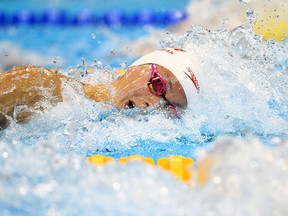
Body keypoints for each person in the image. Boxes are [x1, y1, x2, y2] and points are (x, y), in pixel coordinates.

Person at [0, 47, 202, 130]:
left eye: (169, 107)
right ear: (135, 68)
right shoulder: (43, 86)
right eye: (158, 85)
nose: (153, 105)